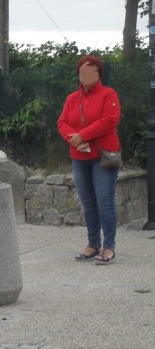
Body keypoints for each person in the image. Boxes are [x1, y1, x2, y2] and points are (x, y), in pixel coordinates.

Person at [57, 54, 121, 264]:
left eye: (90, 70)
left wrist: (82, 136)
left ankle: (109, 246)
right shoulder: (71, 99)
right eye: (82, 70)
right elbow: (63, 122)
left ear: (98, 73)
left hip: (103, 157)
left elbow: (109, 121)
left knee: (105, 202)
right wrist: (74, 140)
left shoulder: (108, 94)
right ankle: (93, 244)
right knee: (88, 204)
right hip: (79, 157)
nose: (85, 74)